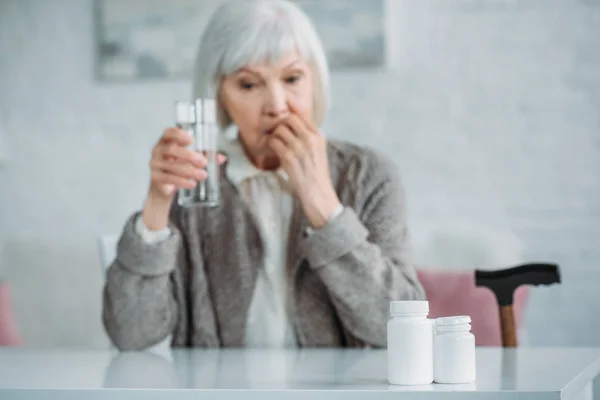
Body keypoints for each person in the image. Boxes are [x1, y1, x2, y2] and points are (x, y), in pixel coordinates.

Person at [102, 0, 425, 351]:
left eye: (292, 78)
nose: (277, 105)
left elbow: (404, 330)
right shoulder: (197, 180)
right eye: (249, 85)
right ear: (218, 95)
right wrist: (156, 204)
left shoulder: (368, 175)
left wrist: (326, 211)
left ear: (315, 81)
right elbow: (131, 334)